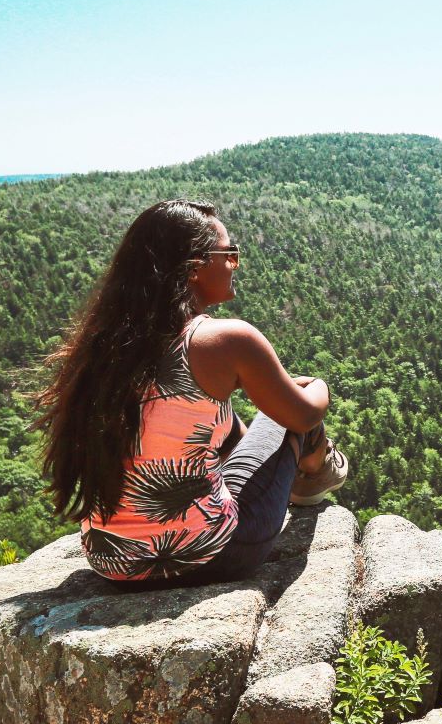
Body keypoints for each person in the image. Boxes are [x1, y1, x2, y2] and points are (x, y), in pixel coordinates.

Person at [34, 198, 349, 586]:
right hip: (214, 554)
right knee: (289, 403)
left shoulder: (104, 350)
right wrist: (319, 386)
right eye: (229, 254)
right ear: (195, 266)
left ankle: (301, 475)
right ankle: (316, 473)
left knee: (213, 410)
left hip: (112, 562)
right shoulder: (225, 340)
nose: (235, 264)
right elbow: (303, 415)